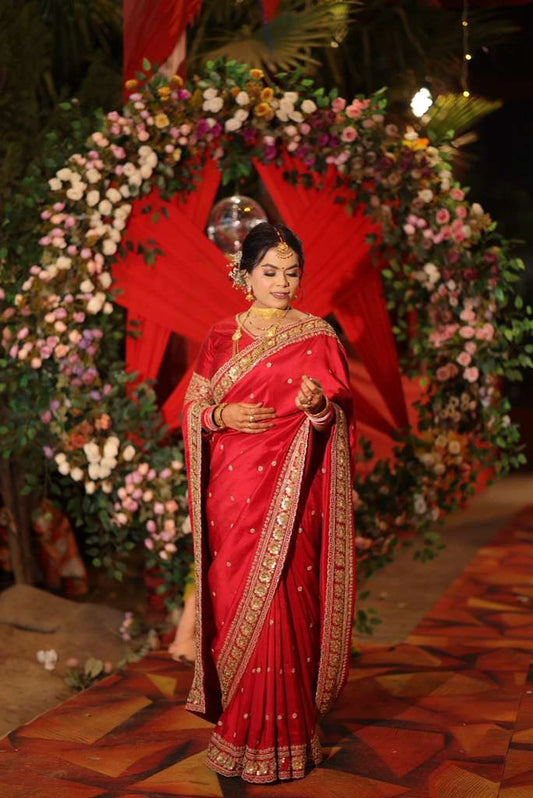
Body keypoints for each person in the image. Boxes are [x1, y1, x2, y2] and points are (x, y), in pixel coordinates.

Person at [181, 222, 356, 783]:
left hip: (294, 487)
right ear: (245, 275)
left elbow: (337, 414)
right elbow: (193, 410)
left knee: (285, 597)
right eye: (270, 272)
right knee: (239, 599)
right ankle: (239, 730)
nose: (283, 282)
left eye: (292, 272)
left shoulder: (319, 335)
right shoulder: (219, 336)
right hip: (233, 490)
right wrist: (220, 415)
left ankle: (290, 735)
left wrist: (317, 408)